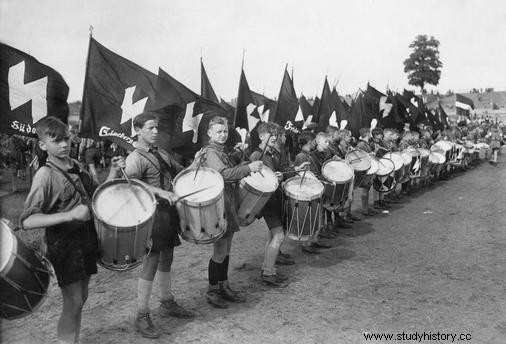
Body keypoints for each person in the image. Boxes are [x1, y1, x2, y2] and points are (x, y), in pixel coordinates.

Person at [19, 117, 122, 344]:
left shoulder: (77, 165)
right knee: (73, 302)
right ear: (44, 145)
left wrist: (113, 171)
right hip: (64, 245)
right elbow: (27, 221)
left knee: (82, 297)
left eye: (66, 139)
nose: (64, 145)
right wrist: (69, 215)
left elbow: (96, 195)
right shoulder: (44, 175)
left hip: (86, 239)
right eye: (56, 141)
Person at [111, 112, 195, 339]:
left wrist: (198, 164)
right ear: (137, 130)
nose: (156, 132)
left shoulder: (161, 152)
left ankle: (167, 301)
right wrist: (161, 192)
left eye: (157, 128)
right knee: (152, 261)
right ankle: (141, 314)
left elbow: (179, 171)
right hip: (151, 215)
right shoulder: (135, 157)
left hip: (168, 213)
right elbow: (130, 182)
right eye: (150, 128)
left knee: (167, 256)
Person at [196, 116, 263, 306]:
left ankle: (223, 285)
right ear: (209, 133)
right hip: (219, 204)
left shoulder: (222, 151)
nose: (223, 134)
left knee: (226, 249)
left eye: (225, 131)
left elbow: (231, 170)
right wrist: (249, 168)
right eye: (219, 131)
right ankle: (212, 290)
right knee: (219, 249)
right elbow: (224, 174)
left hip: (228, 201)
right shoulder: (210, 152)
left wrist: (243, 164)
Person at [250, 122, 308, 286]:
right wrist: (275, 178)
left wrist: (296, 169)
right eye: (271, 134)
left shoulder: (272, 153)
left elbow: (281, 171)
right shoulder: (257, 156)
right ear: (261, 136)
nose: (274, 137)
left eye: (275, 134)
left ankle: (267, 268)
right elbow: (256, 181)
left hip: (275, 199)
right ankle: (268, 274)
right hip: (267, 202)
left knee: (273, 235)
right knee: (279, 235)